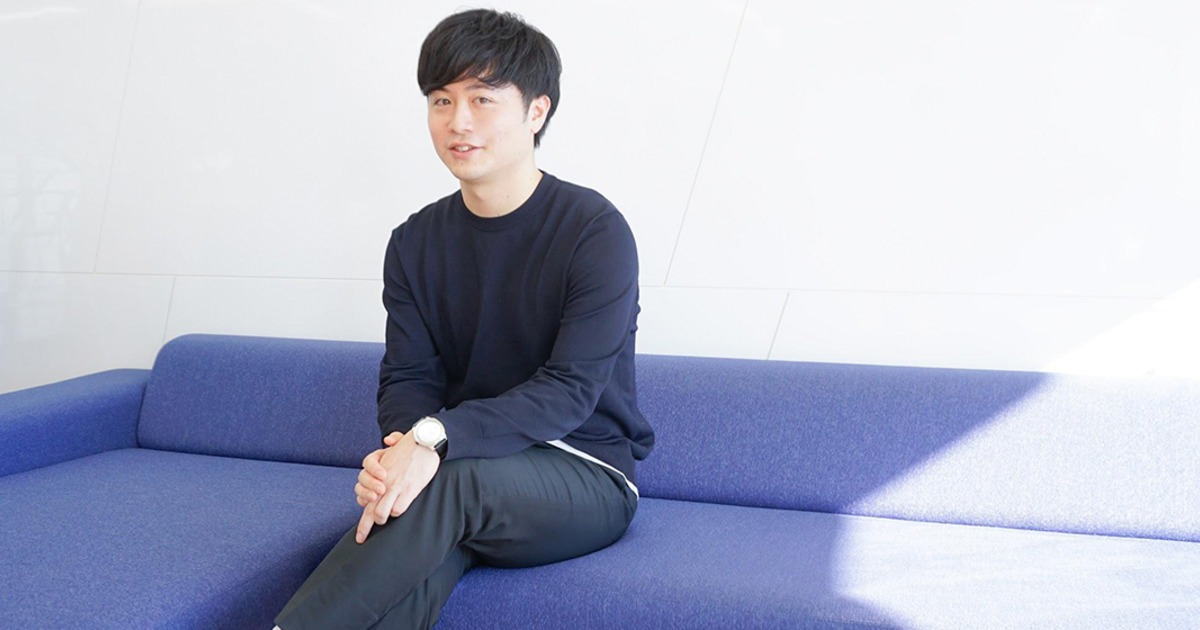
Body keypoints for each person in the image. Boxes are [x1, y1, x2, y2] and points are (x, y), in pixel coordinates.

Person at [273, 9, 655, 629]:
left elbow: (569, 391)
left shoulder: (595, 232)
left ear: (536, 111)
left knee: (447, 486)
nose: (458, 121)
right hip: (461, 465)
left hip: (586, 472)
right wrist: (401, 453)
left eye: (482, 98)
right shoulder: (413, 243)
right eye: (441, 100)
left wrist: (431, 442)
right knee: (412, 536)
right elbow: (408, 379)